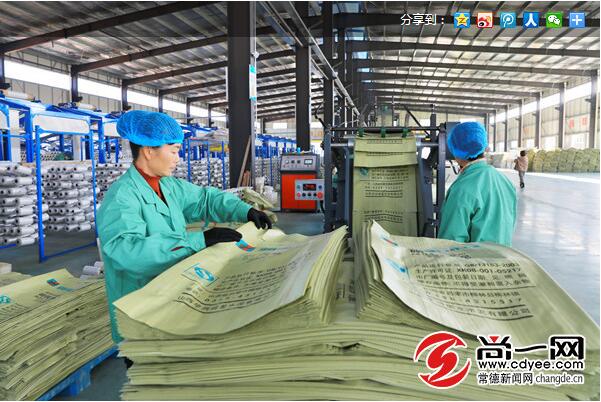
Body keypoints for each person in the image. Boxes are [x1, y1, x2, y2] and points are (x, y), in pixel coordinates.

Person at [97, 111, 272, 356]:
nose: (178, 159)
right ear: (148, 151)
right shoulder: (122, 197)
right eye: (174, 151)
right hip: (139, 309)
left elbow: (204, 199)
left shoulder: (167, 185)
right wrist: (197, 241)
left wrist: (245, 210)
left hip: (170, 298)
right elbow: (128, 252)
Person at [439, 122, 517, 246]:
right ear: (483, 147)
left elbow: (450, 242)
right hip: (502, 255)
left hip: (474, 258)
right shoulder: (505, 182)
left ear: (455, 150)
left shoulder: (461, 189)